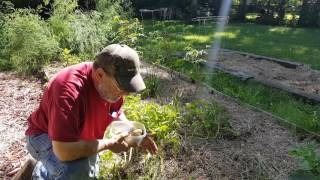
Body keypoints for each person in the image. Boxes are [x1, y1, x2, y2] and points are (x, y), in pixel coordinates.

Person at [16, 44, 157, 179]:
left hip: (78, 137)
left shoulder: (112, 89)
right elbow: (63, 151)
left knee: (90, 169)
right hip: (44, 136)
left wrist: (133, 132)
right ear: (100, 75)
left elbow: (115, 113)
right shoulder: (68, 90)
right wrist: (109, 144)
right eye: (121, 87)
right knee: (79, 170)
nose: (125, 93)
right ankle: (38, 172)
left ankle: (44, 171)